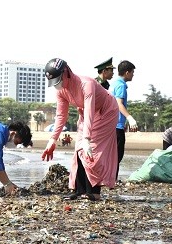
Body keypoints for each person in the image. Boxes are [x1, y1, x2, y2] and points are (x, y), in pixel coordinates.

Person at [41, 58, 118, 201]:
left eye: (58, 80)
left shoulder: (86, 84)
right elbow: (61, 115)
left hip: (106, 111)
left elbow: (90, 110)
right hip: (86, 113)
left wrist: (87, 139)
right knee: (79, 149)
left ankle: (93, 191)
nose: (57, 85)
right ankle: (79, 190)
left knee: (92, 149)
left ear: (66, 73)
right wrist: (52, 139)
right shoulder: (61, 91)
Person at [111, 60, 137, 177]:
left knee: (112, 154)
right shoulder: (121, 85)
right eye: (132, 72)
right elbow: (119, 103)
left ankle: (109, 178)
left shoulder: (114, 83)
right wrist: (130, 118)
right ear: (127, 72)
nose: (133, 75)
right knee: (117, 154)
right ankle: (112, 179)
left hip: (111, 123)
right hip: (117, 125)